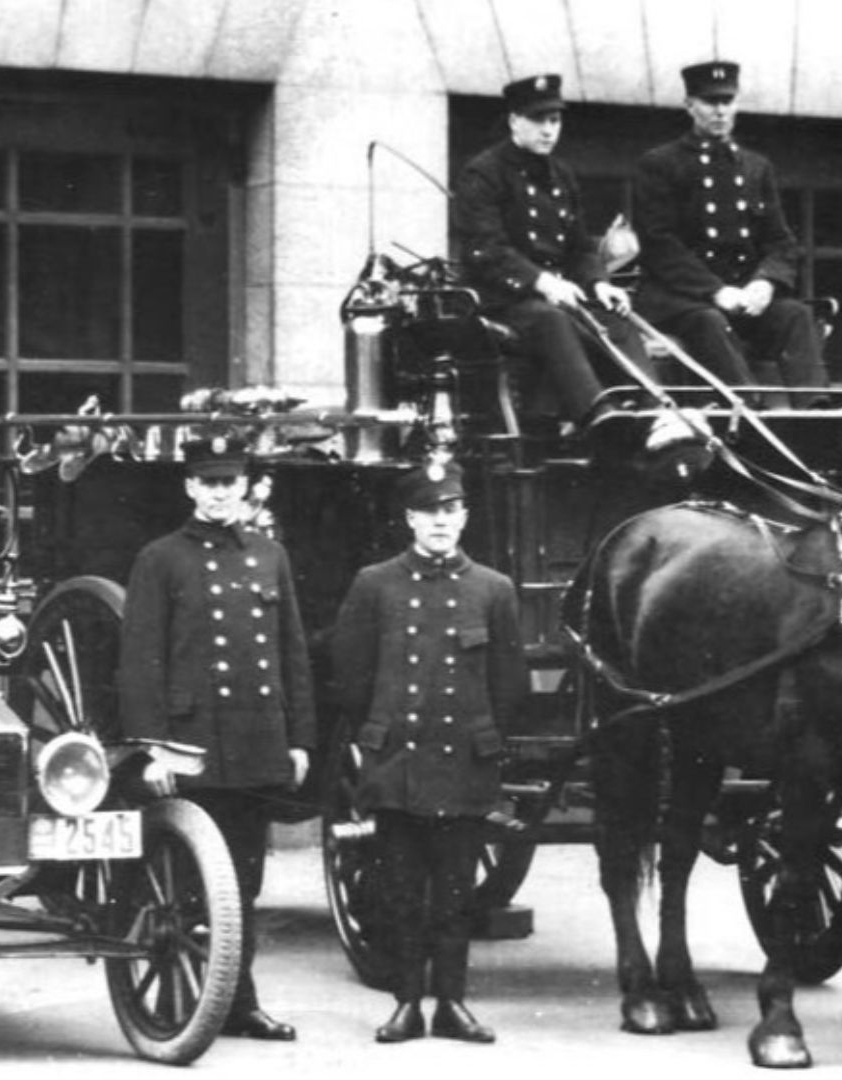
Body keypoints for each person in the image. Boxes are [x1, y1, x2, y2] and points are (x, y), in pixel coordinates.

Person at [117, 433, 315, 1041]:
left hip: (256, 741)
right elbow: (141, 659)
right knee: (191, 882)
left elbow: (292, 653)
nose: (220, 493)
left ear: (245, 487)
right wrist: (151, 747)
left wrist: (299, 740)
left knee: (243, 884)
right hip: (191, 743)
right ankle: (184, 1004)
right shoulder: (161, 558)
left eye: (230, 482)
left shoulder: (269, 555)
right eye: (209, 483)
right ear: (190, 487)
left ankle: (237, 1001)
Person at [331, 461, 524, 1045]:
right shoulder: (375, 584)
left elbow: (508, 682)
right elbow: (352, 675)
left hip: (464, 763)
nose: (441, 522)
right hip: (399, 765)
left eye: (450, 510)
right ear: (410, 519)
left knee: (456, 896)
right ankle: (408, 1004)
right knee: (403, 893)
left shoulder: (493, 589)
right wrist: (379, 737)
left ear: (464, 517)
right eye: (429, 512)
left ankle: (453, 1004)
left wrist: (485, 741)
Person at [453, 73, 698, 455]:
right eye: (538, 120)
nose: (548, 130)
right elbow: (486, 248)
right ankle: (596, 413)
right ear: (514, 121)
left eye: (555, 120)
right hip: (504, 298)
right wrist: (542, 282)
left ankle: (655, 409)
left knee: (613, 315)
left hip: (556, 295)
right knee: (551, 318)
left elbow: (580, 248)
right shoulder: (483, 173)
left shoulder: (561, 175)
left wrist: (599, 283)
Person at [633, 60, 830, 400]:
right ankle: (750, 412)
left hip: (742, 299)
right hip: (682, 300)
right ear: (689, 105)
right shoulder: (660, 164)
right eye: (710, 102)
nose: (720, 111)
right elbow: (659, 244)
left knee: (796, 314)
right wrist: (715, 290)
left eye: (727, 101)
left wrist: (765, 282)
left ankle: (817, 411)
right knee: (709, 320)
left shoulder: (756, 167)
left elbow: (781, 242)